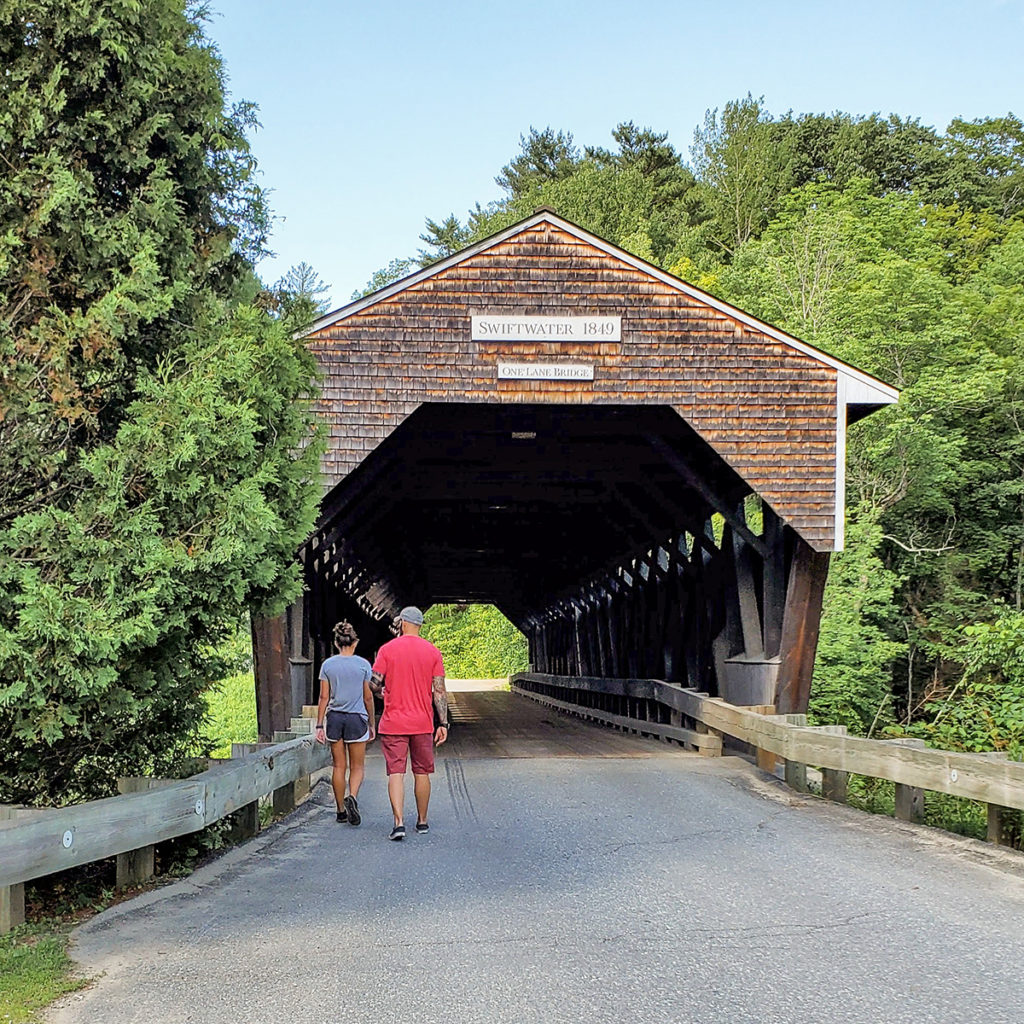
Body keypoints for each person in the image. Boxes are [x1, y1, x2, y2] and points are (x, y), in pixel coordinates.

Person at [370, 606, 448, 841]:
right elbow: (439, 691)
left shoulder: (387, 650)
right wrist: (443, 722)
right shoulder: (433, 652)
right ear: (420, 625)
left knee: (396, 772)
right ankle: (422, 821)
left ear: (403, 623)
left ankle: (399, 823)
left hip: (394, 722)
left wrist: (383, 693)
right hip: (423, 723)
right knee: (422, 772)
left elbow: (373, 683)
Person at [314, 620, 376, 826]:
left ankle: (340, 810)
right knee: (357, 766)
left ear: (336, 642)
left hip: (335, 718)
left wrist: (319, 725)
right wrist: (372, 723)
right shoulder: (363, 665)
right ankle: (353, 796)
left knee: (339, 765)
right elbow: (368, 697)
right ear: (355, 642)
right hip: (356, 718)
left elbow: (323, 697)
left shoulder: (328, 665)